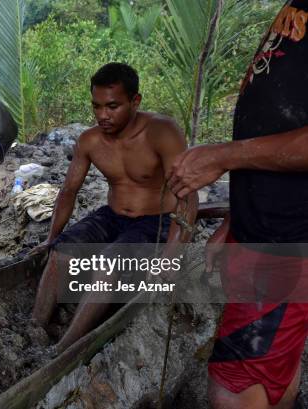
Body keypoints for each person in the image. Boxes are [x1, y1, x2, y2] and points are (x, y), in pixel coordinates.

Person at [168, 2, 308, 408]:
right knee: (272, 369)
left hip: (286, 243)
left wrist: (221, 156)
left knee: (232, 387)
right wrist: (235, 220)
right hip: (264, 230)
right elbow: (278, 121)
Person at [31, 62, 197, 352]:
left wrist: (170, 257)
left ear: (135, 101)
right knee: (60, 254)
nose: (102, 115)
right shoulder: (90, 140)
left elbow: (188, 197)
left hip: (155, 221)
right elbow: (69, 191)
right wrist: (50, 238)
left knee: (109, 262)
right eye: (96, 106)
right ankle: (33, 329)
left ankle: (65, 348)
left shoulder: (162, 132)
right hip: (112, 215)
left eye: (112, 106)